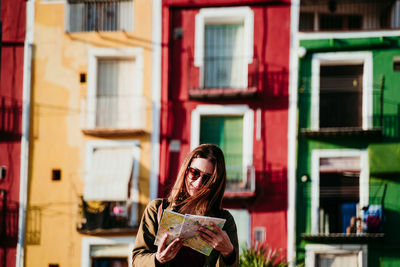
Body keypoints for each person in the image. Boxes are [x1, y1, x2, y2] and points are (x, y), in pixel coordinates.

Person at [132, 144, 239, 266]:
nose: (198, 183)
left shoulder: (225, 221)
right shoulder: (157, 209)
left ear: (216, 183)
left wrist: (228, 253)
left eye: (207, 179)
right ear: (185, 170)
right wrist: (158, 259)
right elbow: (137, 260)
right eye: (194, 173)